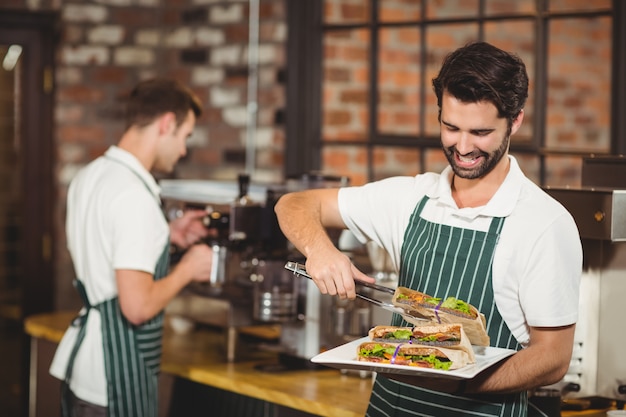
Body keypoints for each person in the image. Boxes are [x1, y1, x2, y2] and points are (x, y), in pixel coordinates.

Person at [275, 41, 582, 417]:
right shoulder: (410, 197)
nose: (463, 146)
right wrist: (321, 251)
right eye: (451, 127)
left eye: (481, 132)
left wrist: (452, 379)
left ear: (514, 120)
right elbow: (294, 204)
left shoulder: (544, 223)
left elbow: (553, 359)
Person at [49, 78, 214, 417]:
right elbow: (136, 307)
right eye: (185, 136)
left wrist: (166, 234)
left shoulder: (92, 175)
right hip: (113, 379)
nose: (183, 149)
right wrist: (188, 269)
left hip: (84, 370)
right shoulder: (134, 197)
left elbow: (106, 244)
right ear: (167, 123)